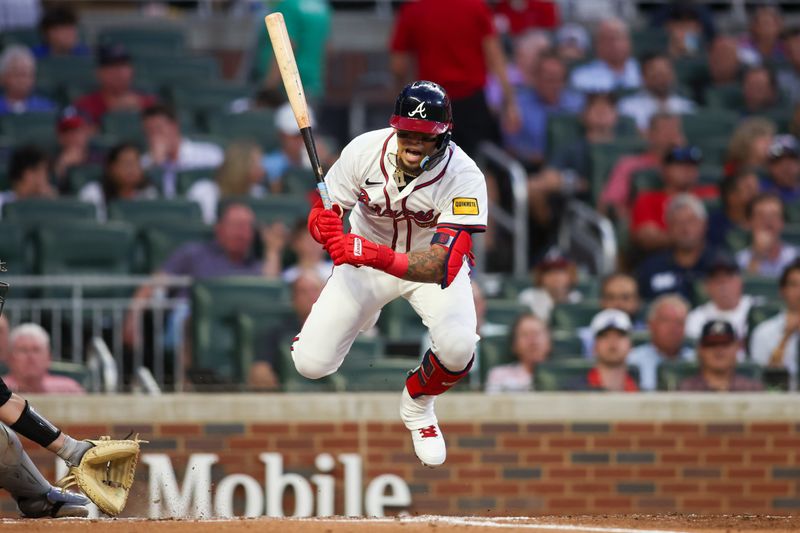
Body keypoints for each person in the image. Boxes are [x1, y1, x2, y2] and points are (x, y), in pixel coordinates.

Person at [295, 81, 487, 467]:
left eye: (425, 136)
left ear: (444, 137)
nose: (413, 142)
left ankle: (418, 406)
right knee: (311, 365)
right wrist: (325, 224)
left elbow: (441, 265)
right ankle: (363, 311)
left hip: (422, 268)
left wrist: (370, 252)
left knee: (459, 346)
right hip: (363, 263)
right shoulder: (364, 150)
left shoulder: (465, 176)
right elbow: (325, 208)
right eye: (406, 132)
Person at [123, 203, 272, 346]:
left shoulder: (256, 267)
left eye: (247, 227)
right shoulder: (193, 255)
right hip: (190, 324)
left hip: (235, 328)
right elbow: (154, 284)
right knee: (193, 321)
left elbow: (271, 295)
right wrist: (132, 319)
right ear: (219, 229)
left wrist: (273, 250)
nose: (242, 233)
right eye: (236, 226)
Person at [389, 0, 521, 158]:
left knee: (431, 167)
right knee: (479, 164)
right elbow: (495, 57)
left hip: (430, 104)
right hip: (472, 101)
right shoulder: (475, 6)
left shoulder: (412, 10)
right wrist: (510, 102)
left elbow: (399, 67)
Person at [502, 53, 583, 168]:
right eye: (549, 79)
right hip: (530, 166)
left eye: (558, 79)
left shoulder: (576, 105)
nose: (554, 84)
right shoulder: (516, 105)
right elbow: (510, 147)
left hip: (570, 167)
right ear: (536, 78)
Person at [248, 269, 325, 390]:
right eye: (303, 292)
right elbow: (260, 369)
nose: (311, 296)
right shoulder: (276, 334)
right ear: (293, 299)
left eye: (315, 290)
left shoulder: (344, 329)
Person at [599, 112, 685, 219]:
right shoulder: (629, 165)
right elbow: (608, 204)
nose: (670, 137)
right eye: (664, 131)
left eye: (674, 131)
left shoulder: (687, 166)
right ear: (650, 135)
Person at [630, 146, 717, 252]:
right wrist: (688, 237)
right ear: (664, 169)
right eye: (680, 164)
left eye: (692, 164)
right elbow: (647, 238)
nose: (687, 169)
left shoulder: (711, 194)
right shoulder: (648, 199)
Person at [637, 194, 715, 305]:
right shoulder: (651, 268)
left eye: (690, 221)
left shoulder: (720, 264)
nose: (685, 229)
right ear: (668, 228)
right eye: (678, 223)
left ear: (704, 224)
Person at [140, 104, 224, 198]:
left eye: (159, 129)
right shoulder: (145, 163)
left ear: (174, 126)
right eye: (150, 132)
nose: (155, 137)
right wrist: (156, 165)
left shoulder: (208, 153)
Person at [254, 0, 331, 104]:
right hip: (312, 84)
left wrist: (269, 86)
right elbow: (327, 47)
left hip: (287, 89)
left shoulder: (288, 6)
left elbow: (285, 46)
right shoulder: (322, 6)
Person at [74, 43, 157, 126]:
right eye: (111, 66)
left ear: (132, 70)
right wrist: (113, 114)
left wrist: (140, 113)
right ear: (99, 73)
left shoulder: (149, 104)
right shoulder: (85, 106)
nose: (118, 72)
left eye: (123, 65)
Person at [187, 140, 267, 224]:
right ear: (240, 166)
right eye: (257, 165)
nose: (262, 170)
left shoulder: (258, 194)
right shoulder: (204, 192)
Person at [749, 259, 800, 388]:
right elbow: (762, 381)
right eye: (794, 285)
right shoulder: (764, 332)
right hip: (782, 401)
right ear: (782, 291)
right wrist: (786, 336)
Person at [628, 294, 695, 391]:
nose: (673, 328)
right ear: (651, 325)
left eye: (679, 322)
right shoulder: (632, 361)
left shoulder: (695, 361)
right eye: (666, 321)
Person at [262, 102, 332, 193]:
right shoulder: (267, 165)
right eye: (297, 135)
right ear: (281, 136)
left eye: (308, 134)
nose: (303, 140)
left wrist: (326, 165)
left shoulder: (324, 160)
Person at [78, 142, 157, 221]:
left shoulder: (148, 193)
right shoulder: (93, 193)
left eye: (136, 164)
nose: (132, 169)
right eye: (127, 164)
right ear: (111, 168)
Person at [617, 53, 696, 132]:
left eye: (665, 73)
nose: (662, 80)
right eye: (656, 75)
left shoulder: (687, 107)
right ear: (643, 76)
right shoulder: (627, 108)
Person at [685, 252, 754, 341]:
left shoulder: (757, 309)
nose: (723, 286)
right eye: (717, 280)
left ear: (740, 281)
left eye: (728, 278)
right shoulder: (696, 319)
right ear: (707, 287)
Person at [679, 319, 763, 392]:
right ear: (700, 349)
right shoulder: (686, 389)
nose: (719, 350)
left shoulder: (751, 389)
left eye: (725, 344)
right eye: (711, 344)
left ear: (736, 347)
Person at [2, 323, 84, 394]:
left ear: (49, 357)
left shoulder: (68, 390)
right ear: (10, 357)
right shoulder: (2, 391)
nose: (30, 357)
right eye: (23, 350)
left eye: (36, 350)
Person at [570, 309, 638, 392]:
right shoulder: (574, 390)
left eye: (620, 335)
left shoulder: (641, 389)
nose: (613, 341)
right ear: (594, 346)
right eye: (604, 336)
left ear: (630, 346)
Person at [569, 18, 641, 94]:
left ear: (629, 42)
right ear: (597, 44)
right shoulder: (581, 77)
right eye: (609, 40)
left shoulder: (643, 70)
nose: (615, 45)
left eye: (620, 38)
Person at [579, 272, 643, 356]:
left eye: (625, 297)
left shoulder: (649, 334)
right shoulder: (584, 337)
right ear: (602, 301)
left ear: (637, 301)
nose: (618, 303)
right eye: (611, 297)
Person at [485, 313, 551, 393]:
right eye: (525, 335)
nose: (533, 341)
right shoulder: (499, 376)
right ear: (514, 345)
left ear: (549, 342)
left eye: (537, 334)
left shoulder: (564, 376)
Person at [737, 193, 799, 278]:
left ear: (782, 222)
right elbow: (747, 289)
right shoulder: (739, 260)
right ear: (749, 221)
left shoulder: (796, 257)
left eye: (774, 215)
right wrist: (758, 255)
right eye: (761, 215)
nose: (768, 221)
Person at [262, 219, 333, 284]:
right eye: (308, 238)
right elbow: (270, 285)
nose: (313, 243)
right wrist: (273, 250)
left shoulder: (336, 270)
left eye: (318, 238)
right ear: (295, 243)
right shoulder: (289, 276)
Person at [518, 255, 582, 322]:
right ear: (541, 277)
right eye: (549, 272)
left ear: (571, 275)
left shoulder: (576, 298)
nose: (555, 277)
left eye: (561, 271)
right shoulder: (529, 297)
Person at [706, 171, 760, 250]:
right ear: (732, 197)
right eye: (747, 189)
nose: (754, 193)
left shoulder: (759, 219)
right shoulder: (714, 225)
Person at [52, 107, 102, 189]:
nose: (72, 136)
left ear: (87, 132)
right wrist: (61, 167)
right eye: (66, 131)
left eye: (77, 130)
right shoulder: (49, 163)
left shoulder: (101, 160)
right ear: (59, 137)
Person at [0, 145, 56, 217]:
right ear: (26, 174)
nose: (45, 177)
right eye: (41, 170)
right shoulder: (1, 201)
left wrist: (52, 203)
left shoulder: (48, 202)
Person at [0, 45, 56, 115]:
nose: (22, 81)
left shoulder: (47, 109)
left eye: (27, 75)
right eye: (17, 74)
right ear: (2, 77)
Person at [689, 34, 742, 104]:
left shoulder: (745, 88)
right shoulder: (696, 88)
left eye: (726, 56)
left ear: (737, 61)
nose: (720, 60)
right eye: (716, 55)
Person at [761, 135, 800, 204]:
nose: (785, 166)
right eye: (778, 160)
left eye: (791, 158)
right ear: (769, 166)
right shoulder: (760, 190)